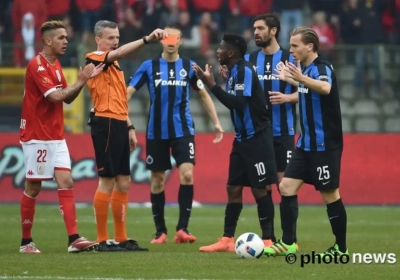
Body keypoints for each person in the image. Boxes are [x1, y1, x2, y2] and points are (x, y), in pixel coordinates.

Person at [127, 25, 224, 244]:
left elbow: (204, 95)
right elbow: (127, 93)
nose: (171, 41)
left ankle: (183, 229)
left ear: (180, 41)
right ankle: (160, 231)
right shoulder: (148, 66)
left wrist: (216, 122)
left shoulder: (189, 66)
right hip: (156, 132)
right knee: (157, 180)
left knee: (187, 175)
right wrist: (127, 122)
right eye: (167, 37)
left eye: (176, 37)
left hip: (183, 130)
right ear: (162, 40)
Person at [19, 20, 103, 254]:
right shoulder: (37, 65)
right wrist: (80, 80)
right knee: (33, 187)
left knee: (66, 182)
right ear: (48, 41)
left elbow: (67, 98)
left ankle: (74, 239)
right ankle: (26, 242)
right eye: (61, 38)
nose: (66, 41)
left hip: (56, 135)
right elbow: (54, 97)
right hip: (37, 135)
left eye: (66, 37)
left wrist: (83, 81)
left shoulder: (56, 65)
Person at [264, 27, 347, 257]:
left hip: (324, 144)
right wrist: (292, 80)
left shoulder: (322, 67)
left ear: (310, 46)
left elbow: (324, 88)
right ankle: (289, 242)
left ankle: (341, 248)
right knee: (286, 187)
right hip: (305, 144)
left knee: (330, 195)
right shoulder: (307, 70)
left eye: (294, 46)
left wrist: (298, 78)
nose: (290, 50)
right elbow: (306, 92)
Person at [85, 20, 168, 252]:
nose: (115, 42)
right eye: (110, 38)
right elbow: (119, 52)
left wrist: (130, 127)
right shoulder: (94, 58)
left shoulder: (116, 65)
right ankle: (102, 240)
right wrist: (146, 39)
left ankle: (121, 238)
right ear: (98, 40)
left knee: (124, 181)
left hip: (119, 122)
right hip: (105, 122)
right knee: (107, 180)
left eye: (117, 37)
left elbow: (121, 99)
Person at [193, 33, 278, 252]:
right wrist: (219, 82)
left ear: (231, 52)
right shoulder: (234, 73)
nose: (217, 51)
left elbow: (239, 104)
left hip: (257, 137)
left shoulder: (245, 70)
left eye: (221, 48)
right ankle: (227, 239)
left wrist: (212, 86)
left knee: (260, 188)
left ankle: (269, 240)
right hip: (241, 139)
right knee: (233, 187)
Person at [220, 13, 299, 247]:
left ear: (273, 31)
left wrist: (288, 97)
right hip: (256, 134)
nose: (255, 32)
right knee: (261, 186)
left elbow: (309, 91)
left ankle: (289, 240)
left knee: (284, 186)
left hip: (282, 133)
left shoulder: (289, 58)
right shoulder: (249, 61)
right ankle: (267, 238)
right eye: (254, 28)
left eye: (260, 28)